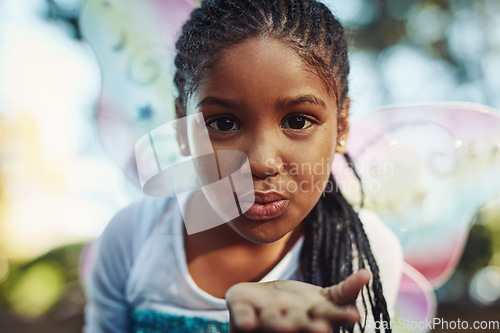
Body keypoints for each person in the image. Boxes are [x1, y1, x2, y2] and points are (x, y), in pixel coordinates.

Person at [83, 0, 403, 332]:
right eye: (223, 124)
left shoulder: (361, 252)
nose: (261, 163)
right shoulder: (132, 237)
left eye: (297, 120)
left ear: (342, 125)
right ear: (182, 127)